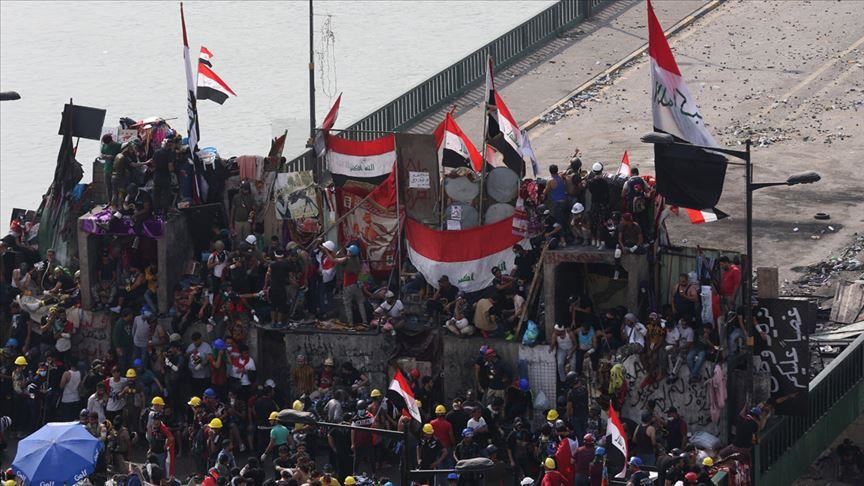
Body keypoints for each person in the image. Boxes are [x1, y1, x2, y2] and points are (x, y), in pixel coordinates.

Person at [334, 244, 367, 325]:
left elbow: (336, 259)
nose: (347, 251)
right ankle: (365, 321)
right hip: (357, 285)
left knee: (347, 305)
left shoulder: (347, 260)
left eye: (348, 251)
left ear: (351, 253)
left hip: (348, 285)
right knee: (360, 303)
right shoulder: (358, 261)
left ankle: (350, 322)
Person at [586, 162, 610, 249]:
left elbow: (591, 191)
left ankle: (594, 239)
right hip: (602, 204)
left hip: (594, 204)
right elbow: (607, 194)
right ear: (601, 170)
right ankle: (600, 241)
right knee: (602, 222)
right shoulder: (605, 182)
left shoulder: (590, 182)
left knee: (593, 222)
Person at [231, 181, 257, 246]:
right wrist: (231, 223)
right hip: (237, 221)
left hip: (247, 222)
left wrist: (254, 222)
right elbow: (233, 210)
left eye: (247, 189)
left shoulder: (251, 197)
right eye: (244, 189)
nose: (245, 190)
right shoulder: (236, 197)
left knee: (247, 240)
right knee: (238, 240)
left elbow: (254, 210)